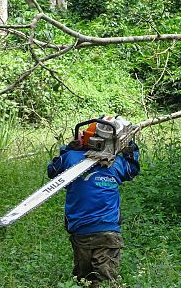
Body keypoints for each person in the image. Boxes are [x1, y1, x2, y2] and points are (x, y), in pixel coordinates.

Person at [47, 120, 140, 288]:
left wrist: (67, 149)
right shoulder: (117, 163)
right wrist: (130, 147)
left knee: (85, 280)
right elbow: (132, 169)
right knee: (106, 280)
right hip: (107, 231)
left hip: (80, 230)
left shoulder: (70, 158)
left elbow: (52, 170)